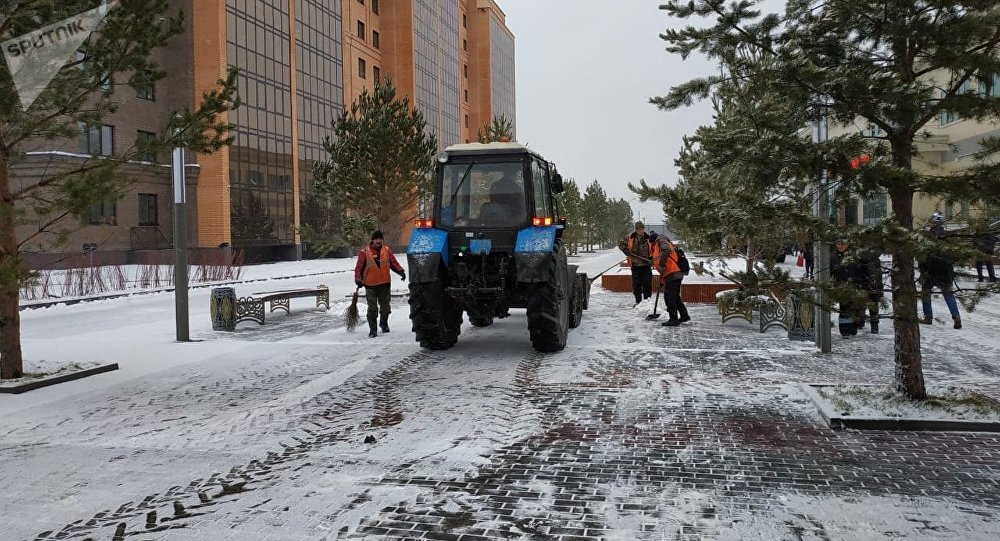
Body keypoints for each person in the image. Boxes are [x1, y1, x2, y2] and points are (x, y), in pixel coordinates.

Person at [354, 230, 406, 337]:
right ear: (372, 240)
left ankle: (384, 323)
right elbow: (358, 268)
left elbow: (393, 263)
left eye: (380, 239)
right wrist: (358, 280)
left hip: (385, 284)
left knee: (385, 308)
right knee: (372, 309)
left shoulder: (386, 250)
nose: (379, 241)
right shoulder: (364, 252)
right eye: (377, 239)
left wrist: (401, 271)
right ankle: (373, 329)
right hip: (370, 285)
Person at [919, 228, 961, 329]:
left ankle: (928, 317)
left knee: (925, 292)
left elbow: (922, 257)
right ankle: (956, 317)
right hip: (945, 273)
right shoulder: (948, 238)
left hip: (931, 271)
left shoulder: (927, 239)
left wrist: (923, 270)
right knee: (948, 295)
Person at [651, 231, 690, 326]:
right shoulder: (666, 242)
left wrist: (661, 264)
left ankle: (673, 319)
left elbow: (665, 251)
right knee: (675, 296)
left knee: (669, 298)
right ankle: (684, 316)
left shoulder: (661, 241)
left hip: (672, 273)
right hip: (676, 273)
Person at [830, 239, 864, 337]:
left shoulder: (854, 256)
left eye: (843, 244)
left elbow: (860, 270)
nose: (840, 246)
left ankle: (853, 327)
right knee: (844, 308)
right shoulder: (833, 257)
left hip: (854, 285)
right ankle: (845, 330)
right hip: (841, 286)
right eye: (838, 244)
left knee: (854, 307)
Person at [618, 221, 653, 306]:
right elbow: (621, 244)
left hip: (646, 265)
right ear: (636, 229)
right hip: (635, 265)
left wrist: (652, 258)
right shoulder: (630, 237)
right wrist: (625, 250)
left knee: (647, 284)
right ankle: (638, 302)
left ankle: (647, 302)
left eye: (642, 228)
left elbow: (654, 249)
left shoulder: (648, 238)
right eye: (638, 229)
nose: (640, 230)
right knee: (636, 285)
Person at [858, 248, 884, 334]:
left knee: (872, 305)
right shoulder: (860, 258)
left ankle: (873, 324)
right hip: (866, 283)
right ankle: (863, 322)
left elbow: (878, 275)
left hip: (872, 285)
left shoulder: (874, 259)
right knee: (862, 303)